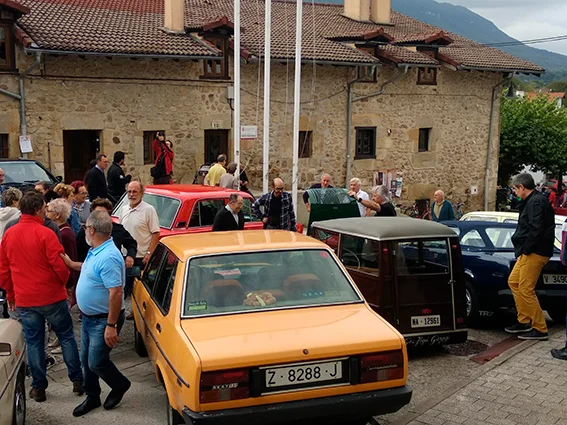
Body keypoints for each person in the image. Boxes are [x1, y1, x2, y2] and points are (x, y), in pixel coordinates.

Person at [0, 190, 83, 402]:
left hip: (25, 298)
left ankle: (38, 387)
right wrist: (64, 284)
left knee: (34, 342)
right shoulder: (46, 233)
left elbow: (4, 270)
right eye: (45, 208)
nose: (46, 212)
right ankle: (77, 380)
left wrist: (10, 293)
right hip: (51, 296)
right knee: (66, 336)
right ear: (38, 209)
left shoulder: (9, 234)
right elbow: (60, 266)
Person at [61, 211, 131, 416]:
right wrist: (72, 264)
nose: (84, 231)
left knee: (96, 362)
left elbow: (116, 292)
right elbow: (91, 269)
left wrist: (111, 325)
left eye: (85, 228)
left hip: (103, 319)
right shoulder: (97, 250)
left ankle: (120, 384)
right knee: (86, 360)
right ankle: (92, 396)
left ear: (91, 230)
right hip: (90, 318)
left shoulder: (108, 257)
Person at [505, 173, 555, 341]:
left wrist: (526, 250)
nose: (514, 192)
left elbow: (536, 229)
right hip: (530, 250)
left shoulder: (536, 202)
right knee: (514, 281)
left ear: (522, 187)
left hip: (535, 251)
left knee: (526, 288)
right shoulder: (533, 200)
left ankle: (540, 328)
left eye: (515, 188)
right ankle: (524, 320)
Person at [116, 181, 160, 300]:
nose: (131, 194)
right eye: (129, 192)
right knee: (124, 290)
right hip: (125, 256)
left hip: (141, 257)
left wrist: (149, 253)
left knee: (139, 292)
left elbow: (156, 233)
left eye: (134, 192)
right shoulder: (123, 209)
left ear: (142, 193)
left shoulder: (149, 210)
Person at [76, 198, 137, 267]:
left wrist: (130, 256)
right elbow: (78, 254)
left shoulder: (117, 229)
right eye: (97, 213)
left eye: (103, 214)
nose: (100, 217)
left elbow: (131, 243)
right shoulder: (85, 232)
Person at [46, 198, 79, 308]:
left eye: (49, 211)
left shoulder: (64, 234)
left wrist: (69, 282)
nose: (46, 213)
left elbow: (70, 257)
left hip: (65, 281)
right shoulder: (62, 231)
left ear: (57, 215)